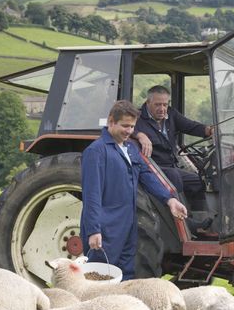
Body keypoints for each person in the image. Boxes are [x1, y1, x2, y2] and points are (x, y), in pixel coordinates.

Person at [81, 99, 188, 280]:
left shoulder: (130, 148)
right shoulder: (96, 152)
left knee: (126, 276)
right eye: (125, 126)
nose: (129, 131)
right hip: (106, 228)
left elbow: (147, 177)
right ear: (111, 122)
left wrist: (170, 200)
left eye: (132, 127)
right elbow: (92, 195)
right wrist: (93, 230)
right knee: (100, 279)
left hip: (129, 225)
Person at [133, 85, 212, 212]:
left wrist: (210, 130)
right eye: (158, 104)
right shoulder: (137, 118)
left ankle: (201, 218)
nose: (162, 109)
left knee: (198, 180)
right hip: (152, 166)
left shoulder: (171, 114)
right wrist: (139, 135)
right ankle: (185, 222)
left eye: (165, 104)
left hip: (171, 165)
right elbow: (125, 129)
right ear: (148, 103)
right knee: (174, 176)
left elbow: (190, 126)